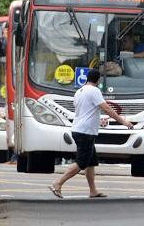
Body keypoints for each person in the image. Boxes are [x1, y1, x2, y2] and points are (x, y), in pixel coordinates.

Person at [49, 69, 133, 198]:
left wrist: (99, 121)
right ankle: (58, 183)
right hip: (85, 132)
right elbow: (106, 108)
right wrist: (123, 122)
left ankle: (93, 190)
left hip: (79, 129)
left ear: (87, 78)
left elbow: (86, 112)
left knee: (91, 162)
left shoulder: (79, 92)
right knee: (82, 162)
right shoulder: (94, 91)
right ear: (98, 80)